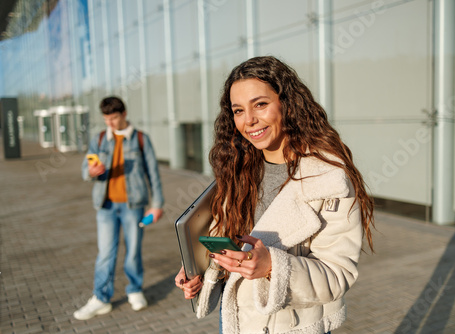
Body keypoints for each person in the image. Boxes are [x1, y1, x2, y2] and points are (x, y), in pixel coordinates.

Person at [174, 56, 374, 334]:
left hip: (291, 326)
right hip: (236, 321)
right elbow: (228, 244)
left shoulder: (328, 178)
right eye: (238, 110)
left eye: (260, 104)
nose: (249, 120)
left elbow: (338, 275)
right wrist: (200, 270)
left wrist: (272, 266)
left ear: (287, 104)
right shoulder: (237, 169)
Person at [74, 96, 164, 320]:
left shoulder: (141, 139)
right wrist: (91, 172)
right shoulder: (100, 138)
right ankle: (101, 298)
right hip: (105, 205)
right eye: (106, 119)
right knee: (105, 253)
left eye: (113, 118)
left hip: (133, 205)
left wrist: (157, 205)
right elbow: (86, 168)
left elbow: (153, 174)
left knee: (133, 251)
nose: (110, 123)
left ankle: (134, 290)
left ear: (124, 114)